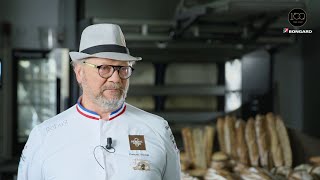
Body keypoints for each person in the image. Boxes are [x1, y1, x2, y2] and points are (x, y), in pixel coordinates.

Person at [17, 24, 181, 180]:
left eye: (123, 69)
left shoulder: (158, 130)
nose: (116, 78)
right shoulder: (44, 136)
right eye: (104, 68)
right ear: (80, 73)